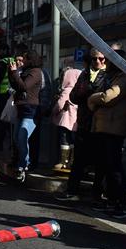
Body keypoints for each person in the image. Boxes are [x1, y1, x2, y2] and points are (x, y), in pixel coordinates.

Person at [87, 49, 126, 219]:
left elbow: (108, 97)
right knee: (106, 166)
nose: (105, 63)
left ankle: (122, 204)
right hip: (104, 126)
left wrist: (91, 99)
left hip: (114, 128)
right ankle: (112, 200)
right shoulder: (112, 77)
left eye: (108, 60)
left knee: (114, 168)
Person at [57, 48, 107, 201]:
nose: (97, 61)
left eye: (101, 58)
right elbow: (73, 96)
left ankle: (97, 195)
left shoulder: (108, 75)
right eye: (94, 59)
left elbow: (106, 97)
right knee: (78, 160)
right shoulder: (84, 74)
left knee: (100, 162)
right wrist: (85, 92)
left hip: (100, 124)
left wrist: (92, 96)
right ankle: (72, 191)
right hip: (84, 122)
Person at [8, 50, 43, 182]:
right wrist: (11, 72)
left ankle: (23, 165)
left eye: (25, 59)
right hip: (21, 110)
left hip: (30, 110)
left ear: (30, 60)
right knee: (17, 138)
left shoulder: (35, 72)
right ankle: (21, 163)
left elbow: (24, 86)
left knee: (22, 137)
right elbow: (16, 85)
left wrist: (14, 73)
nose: (22, 62)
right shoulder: (25, 71)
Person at [51, 65, 81, 172]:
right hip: (76, 122)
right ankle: (72, 162)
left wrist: (53, 112)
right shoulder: (79, 90)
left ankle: (64, 162)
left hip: (65, 121)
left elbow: (60, 104)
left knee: (64, 141)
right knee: (73, 142)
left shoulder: (67, 90)